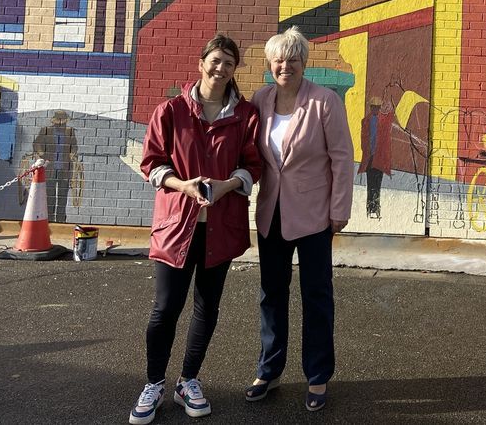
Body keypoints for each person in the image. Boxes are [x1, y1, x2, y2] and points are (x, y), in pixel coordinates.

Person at [129, 34, 262, 425]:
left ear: (234, 70)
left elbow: (253, 165)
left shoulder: (246, 115)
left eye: (228, 63)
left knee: (207, 306)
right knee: (165, 308)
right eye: (215, 60)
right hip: (176, 225)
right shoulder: (171, 111)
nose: (221, 68)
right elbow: (152, 163)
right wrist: (183, 186)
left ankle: (188, 380)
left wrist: (227, 185)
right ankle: (154, 382)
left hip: (220, 227)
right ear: (201, 63)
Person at [245, 26, 353, 412]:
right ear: (269, 64)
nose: (285, 66)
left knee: (316, 296)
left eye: (292, 59)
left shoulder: (324, 101)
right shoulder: (260, 100)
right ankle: (269, 370)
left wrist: (339, 210)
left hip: (314, 216)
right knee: (271, 295)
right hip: (271, 214)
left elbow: (342, 158)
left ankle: (318, 375)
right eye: (278, 60)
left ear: (304, 63)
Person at [358, 96, 393, 219]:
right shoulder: (365, 121)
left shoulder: (384, 121)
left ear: (379, 108)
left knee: (377, 185)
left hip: (379, 158)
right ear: (370, 107)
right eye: (373, 107)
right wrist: (366, 152)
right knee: (370, 184)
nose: (375, 109)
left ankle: (376, 209)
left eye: (377, 107)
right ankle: (370, 209)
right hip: (369, 158)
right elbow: (363, 139)